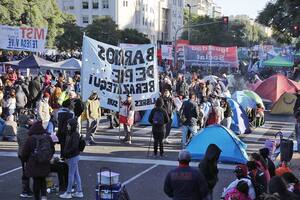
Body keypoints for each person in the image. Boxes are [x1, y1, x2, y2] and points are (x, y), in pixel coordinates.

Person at [21, 121, 55, 200]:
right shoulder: (47, 137)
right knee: (43, 180)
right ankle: (44, 196)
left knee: (36, 181)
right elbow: (52, 150)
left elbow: (24, 153)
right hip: (45, 163)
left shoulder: (30, 139)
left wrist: (27, 160)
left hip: (34, 163)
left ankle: (37, 198)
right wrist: (48, 157)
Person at [60, 119, 84, 199]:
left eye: (68, 125)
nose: (67, 126)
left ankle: (68, 192)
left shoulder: (74, 134)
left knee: (71, 175)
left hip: (73, 157)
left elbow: (74, 147)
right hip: (74, 156)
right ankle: (79, 191)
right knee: (76, 174)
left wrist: (66, 153)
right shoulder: (74, 133)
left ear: (72, 125)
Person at [16, 115, 33, 198]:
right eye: (28, 119)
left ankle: (26, 189)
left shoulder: (21, 129)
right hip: (25, 154)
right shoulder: (24, 131)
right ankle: (25, 190)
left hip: (21, 153)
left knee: (26, 172)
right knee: (26, 173)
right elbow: (26, 142)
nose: (29, 120)